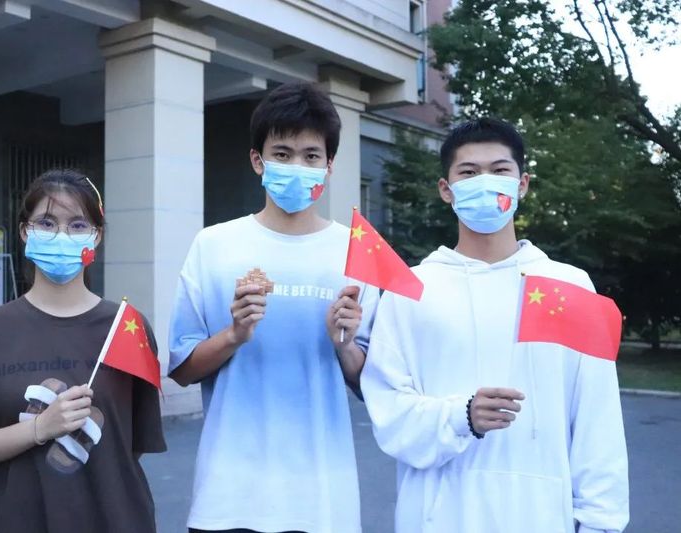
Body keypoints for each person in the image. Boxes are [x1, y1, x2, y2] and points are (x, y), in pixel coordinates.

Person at [360, 118, 629, 533]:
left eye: (500, 170)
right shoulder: (411, 289)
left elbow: (598, 418)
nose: (485, 183)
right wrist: (461, 416)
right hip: (437, 516)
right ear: (446, 189)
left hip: (540, 517)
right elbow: (389, 412)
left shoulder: (570, 287)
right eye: (469, 172)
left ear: (522, 184)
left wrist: (600, 522)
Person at [168, 82, 379, 533]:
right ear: (257, 161)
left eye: (311, 155)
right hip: (228, 494)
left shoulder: (356, 251)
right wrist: (234, 335)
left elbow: (373, 383)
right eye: (282, 154)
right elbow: (182, 369)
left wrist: (344, 345)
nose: (297, 166)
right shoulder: (214, 245)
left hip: (323, 497)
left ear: (329, 166)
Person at [0, 169, 166, 532]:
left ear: (96, 236)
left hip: (116, 520)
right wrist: (40, 428)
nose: (62, 235)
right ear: (24, 231)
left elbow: (130, 445)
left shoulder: (127, 327)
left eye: (78, 225)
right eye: (46, 223)